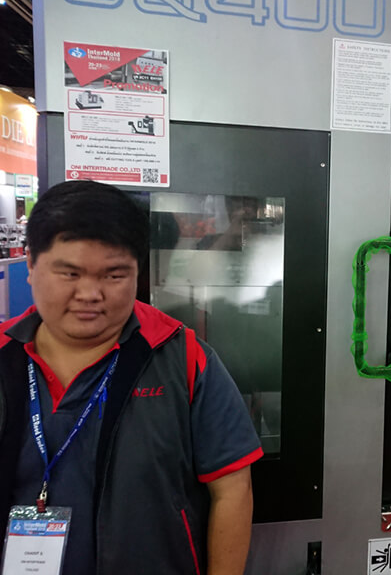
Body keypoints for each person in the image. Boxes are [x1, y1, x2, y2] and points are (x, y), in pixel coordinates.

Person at [0, 180, 264, 575]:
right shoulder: (5, 356)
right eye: (70, 273)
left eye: (113, 275)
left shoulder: (183, 358)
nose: (90, 293)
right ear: (31, 266)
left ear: (137, 273)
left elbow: (232, 489)